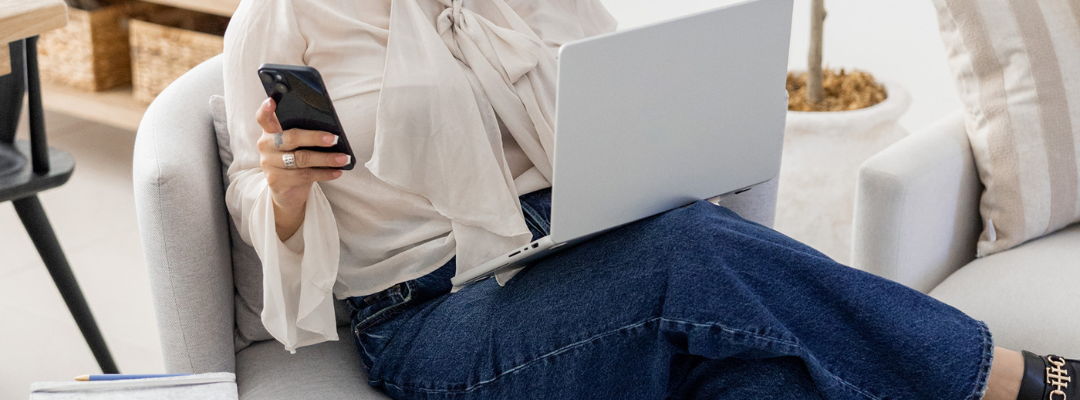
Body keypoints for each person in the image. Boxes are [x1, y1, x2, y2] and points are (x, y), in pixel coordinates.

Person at [221, 0, 1075, 398]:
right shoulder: (279, 16)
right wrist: (288, 189)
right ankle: (1009, 380)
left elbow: (618, 99)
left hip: (575, 252)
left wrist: (699, 112)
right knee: (686, 246)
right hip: (430, 318)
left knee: (760, 379)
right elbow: (260, 212)